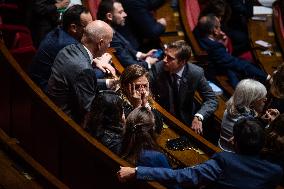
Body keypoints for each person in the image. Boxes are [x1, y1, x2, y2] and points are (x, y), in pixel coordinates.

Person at [117, 118, 283, 189]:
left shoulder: (225, 161)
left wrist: (137, 171)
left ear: (235, 142)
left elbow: (183, 176)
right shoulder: (275, 172)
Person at [47, 20, 117, 124]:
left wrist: (107, 83)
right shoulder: (84, 69)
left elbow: (78, 84)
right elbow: (89, 111)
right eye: (109, 42)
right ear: (100, 43)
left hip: (53, 110)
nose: (109, 46)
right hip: (68, 123)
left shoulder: (68, 49)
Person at [150, 40, 218, 134]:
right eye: (165, 55)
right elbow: (145, 85)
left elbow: (211, 99)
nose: (164, 60)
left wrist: (199, 116)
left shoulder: (196, 73)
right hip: (162, 115)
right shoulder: (158, 68)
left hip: (186, 120)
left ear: (182, 62)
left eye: (170, 58)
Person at [29, 5, 95, 91]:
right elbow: (84, 76)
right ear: (73, 28)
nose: (92, 30)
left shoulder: (60, 31)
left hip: (46, 81)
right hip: (45, 90)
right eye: (88, 27)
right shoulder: (67, 45)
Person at [196, 14, 268, 88]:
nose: (221, 29)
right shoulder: (216, 48)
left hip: (219, 66)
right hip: (220, 74)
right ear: (215, 31)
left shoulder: (200, 34)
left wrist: (220, 41)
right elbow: (236, 63)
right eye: (219, 27)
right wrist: (266, 77)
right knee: (246, 66)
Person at [219, 79, 279, 152]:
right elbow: (263, 143)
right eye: (262, 98)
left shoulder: (231, 110)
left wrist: (261, 121)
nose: (266, 99)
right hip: (236, 155)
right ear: (251, 103)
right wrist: (273, 124)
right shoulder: (246, 125)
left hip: (223, 147)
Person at [96, 0, 159, 70]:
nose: (125, 14)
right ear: (109, 16)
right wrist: (148, 62)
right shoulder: (109, 38)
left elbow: (127, 47)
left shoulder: (112, 31)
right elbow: (131, 66)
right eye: (120, 12)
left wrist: (144, 55)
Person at [119, 64, 163, 133]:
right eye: (137, 87)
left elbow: (158, 128)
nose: (142, 91)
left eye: (145, 86)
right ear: (125, 86)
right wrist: (137, 107)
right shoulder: (119, 105)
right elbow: (140, 133)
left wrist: (145, 104)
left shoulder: (147, 98)